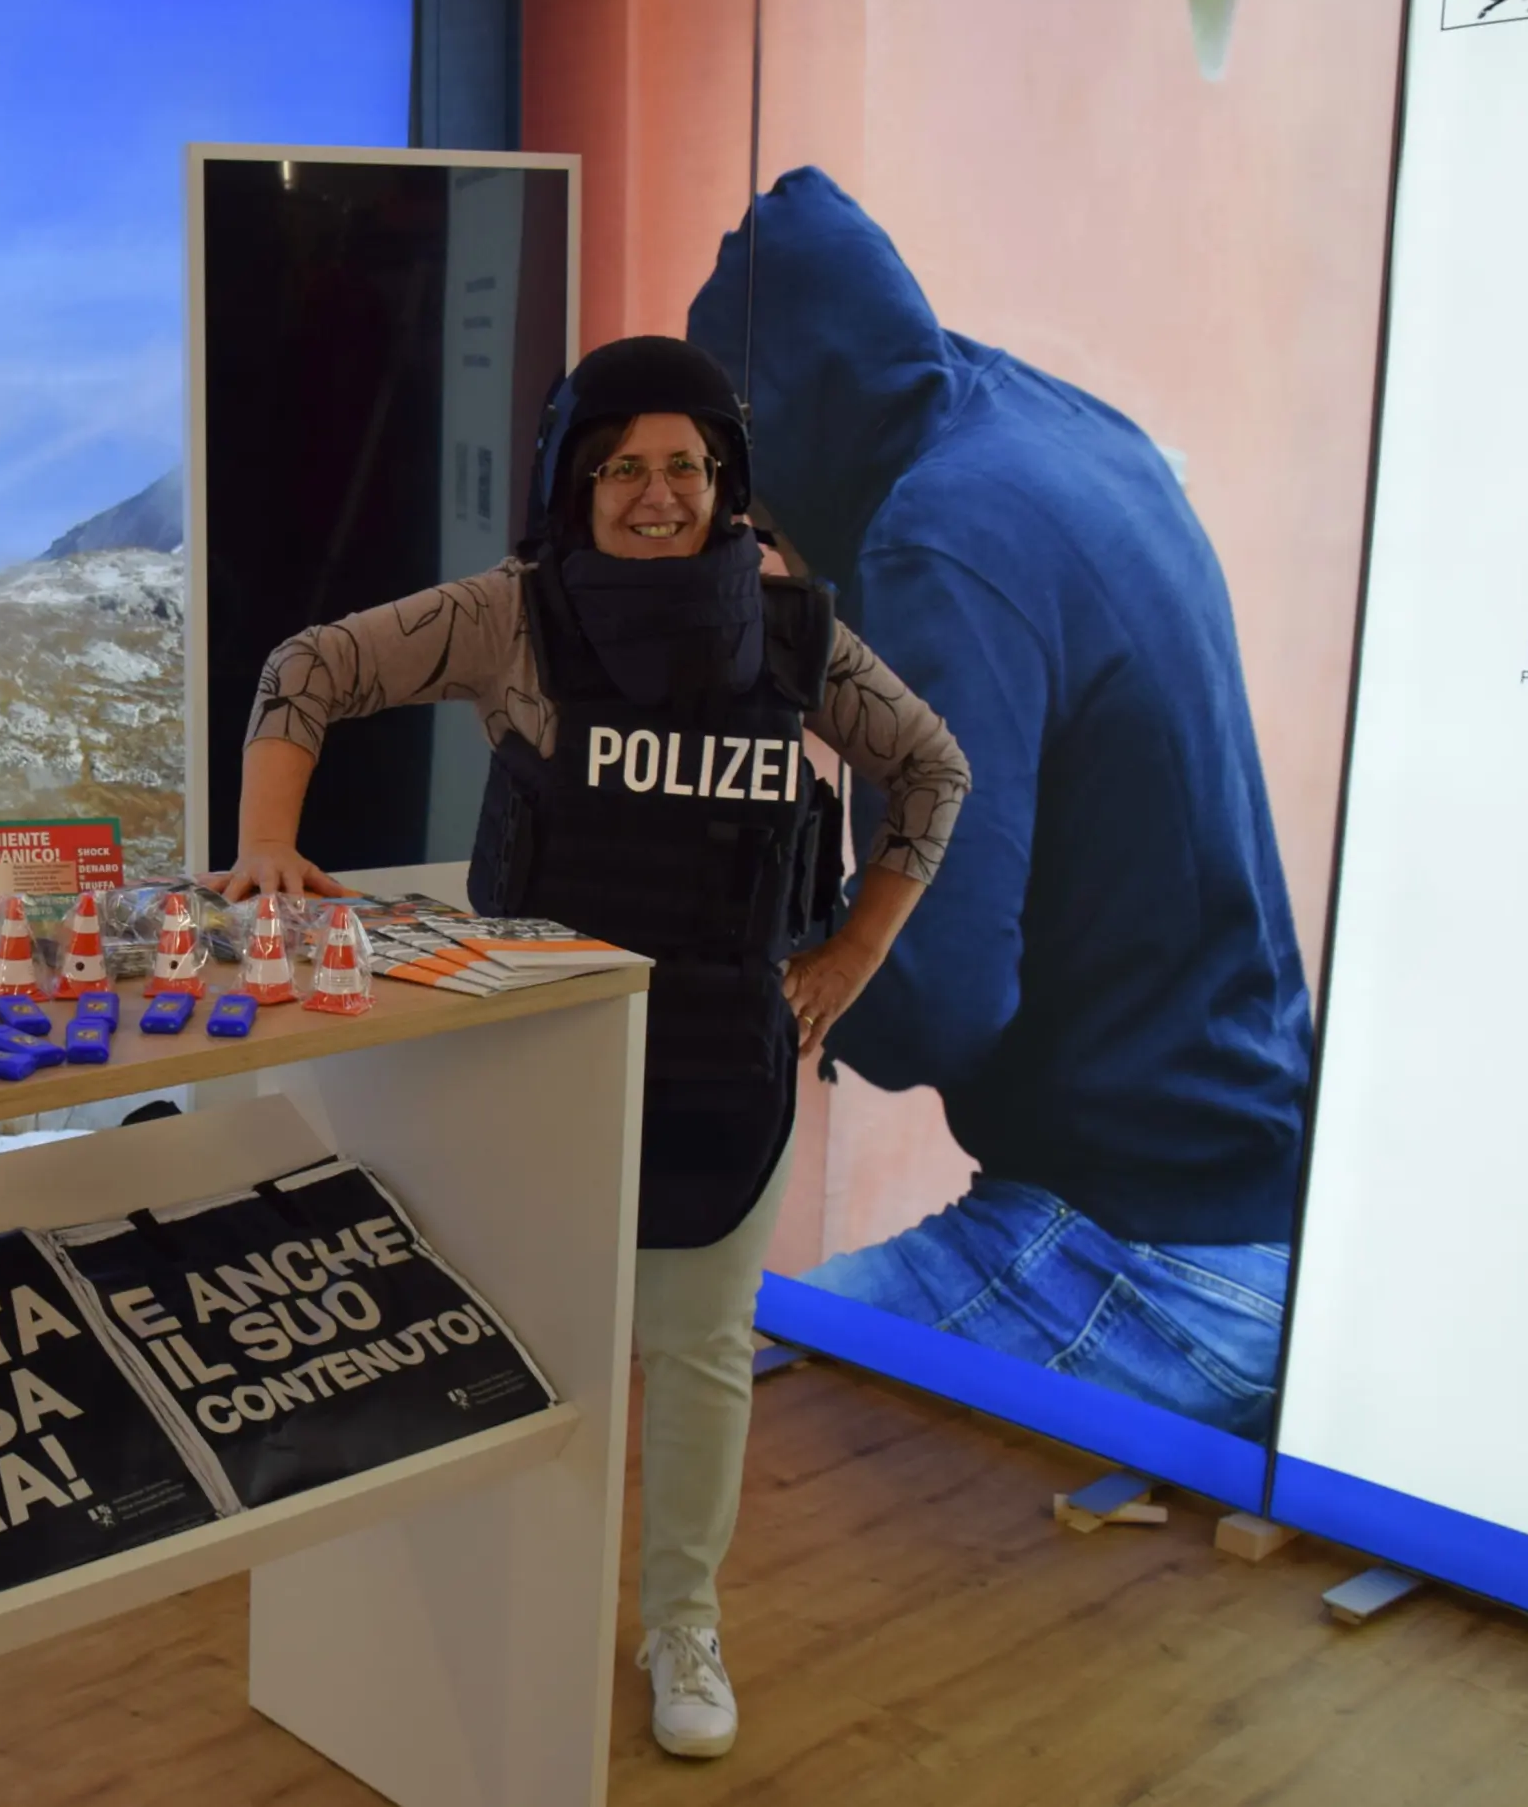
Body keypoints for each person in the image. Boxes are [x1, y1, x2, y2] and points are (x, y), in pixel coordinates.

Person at [216, 335, 969, 1761]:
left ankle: (682, 1621)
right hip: (534, 1063)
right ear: (578, 478)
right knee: (504, 1348)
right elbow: (307, 669)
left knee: (696, 1358)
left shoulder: (795, 636)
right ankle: (482, 1596)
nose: (656, 493)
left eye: (685, 464)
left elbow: (933, 768)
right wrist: (266, 844)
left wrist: (854, 952)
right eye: (624, 465)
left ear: (724, 479)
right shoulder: (516, 616)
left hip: (715, 1064)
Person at [684, 168, 1311, 1440]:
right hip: (1259, 1203)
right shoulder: (1061, 432)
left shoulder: (935, 545)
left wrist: (726, 949)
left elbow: (936, 1001)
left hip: (1144, 1254)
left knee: (695, 1407)